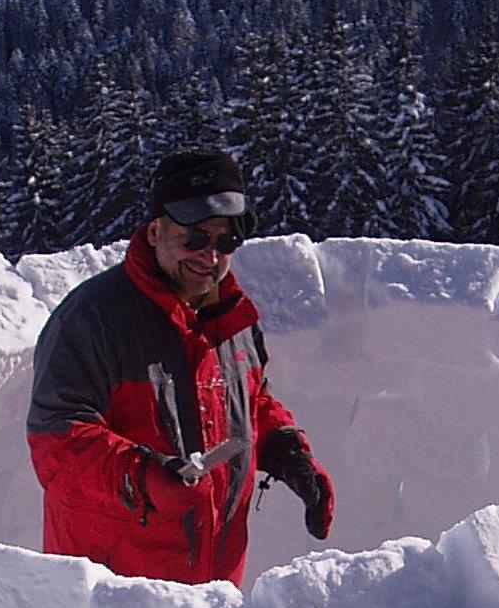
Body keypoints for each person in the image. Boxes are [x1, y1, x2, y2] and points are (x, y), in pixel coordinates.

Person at [26, 146, 334, 585]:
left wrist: (287, 451)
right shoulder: (93, 319)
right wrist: (144, 478)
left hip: (213, 586)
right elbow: (55, 442)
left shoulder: (232, 314)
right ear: (154, 232)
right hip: (113, 595)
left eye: (225, 241)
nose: (209, 257)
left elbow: (248, 402)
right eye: (193, 238)